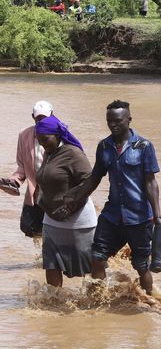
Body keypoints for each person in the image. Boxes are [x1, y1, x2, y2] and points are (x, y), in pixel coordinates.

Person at [62, 101, 161, 294]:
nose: (113, 125)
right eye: (109, 121)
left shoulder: (144, 146)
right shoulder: (104, 146)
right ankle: (98, 301)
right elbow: (94, 179)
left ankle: (151, 302)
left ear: (129, 120)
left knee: (141, 265)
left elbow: (151, 182)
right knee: (97, 258)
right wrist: (75, 201)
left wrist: (157, 217)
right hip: (112, 217)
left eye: (117, 121)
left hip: (139, 218)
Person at [34, 115, 96, 287]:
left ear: (58, 135)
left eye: (45, 139)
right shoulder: (49, 153)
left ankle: (98, 305)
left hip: (78, 220)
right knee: (51, 263)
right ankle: (55, 302)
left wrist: (71, 204)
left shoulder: (73, 153)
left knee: (89, 267)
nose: (42, 144)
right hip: (51, 218)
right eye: (39, 141)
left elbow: (89, 181)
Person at [1, 100, 54, 238]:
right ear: (33, 117)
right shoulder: (24, 135)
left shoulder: (60, 135)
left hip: (54, 193)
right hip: (35, 192)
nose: (41, 122)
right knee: (29, 228)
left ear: (52, 116)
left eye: (45, 119)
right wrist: (13, 181)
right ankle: (42, 259)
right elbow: (22, 167)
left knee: (54, 232)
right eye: (38, 119)